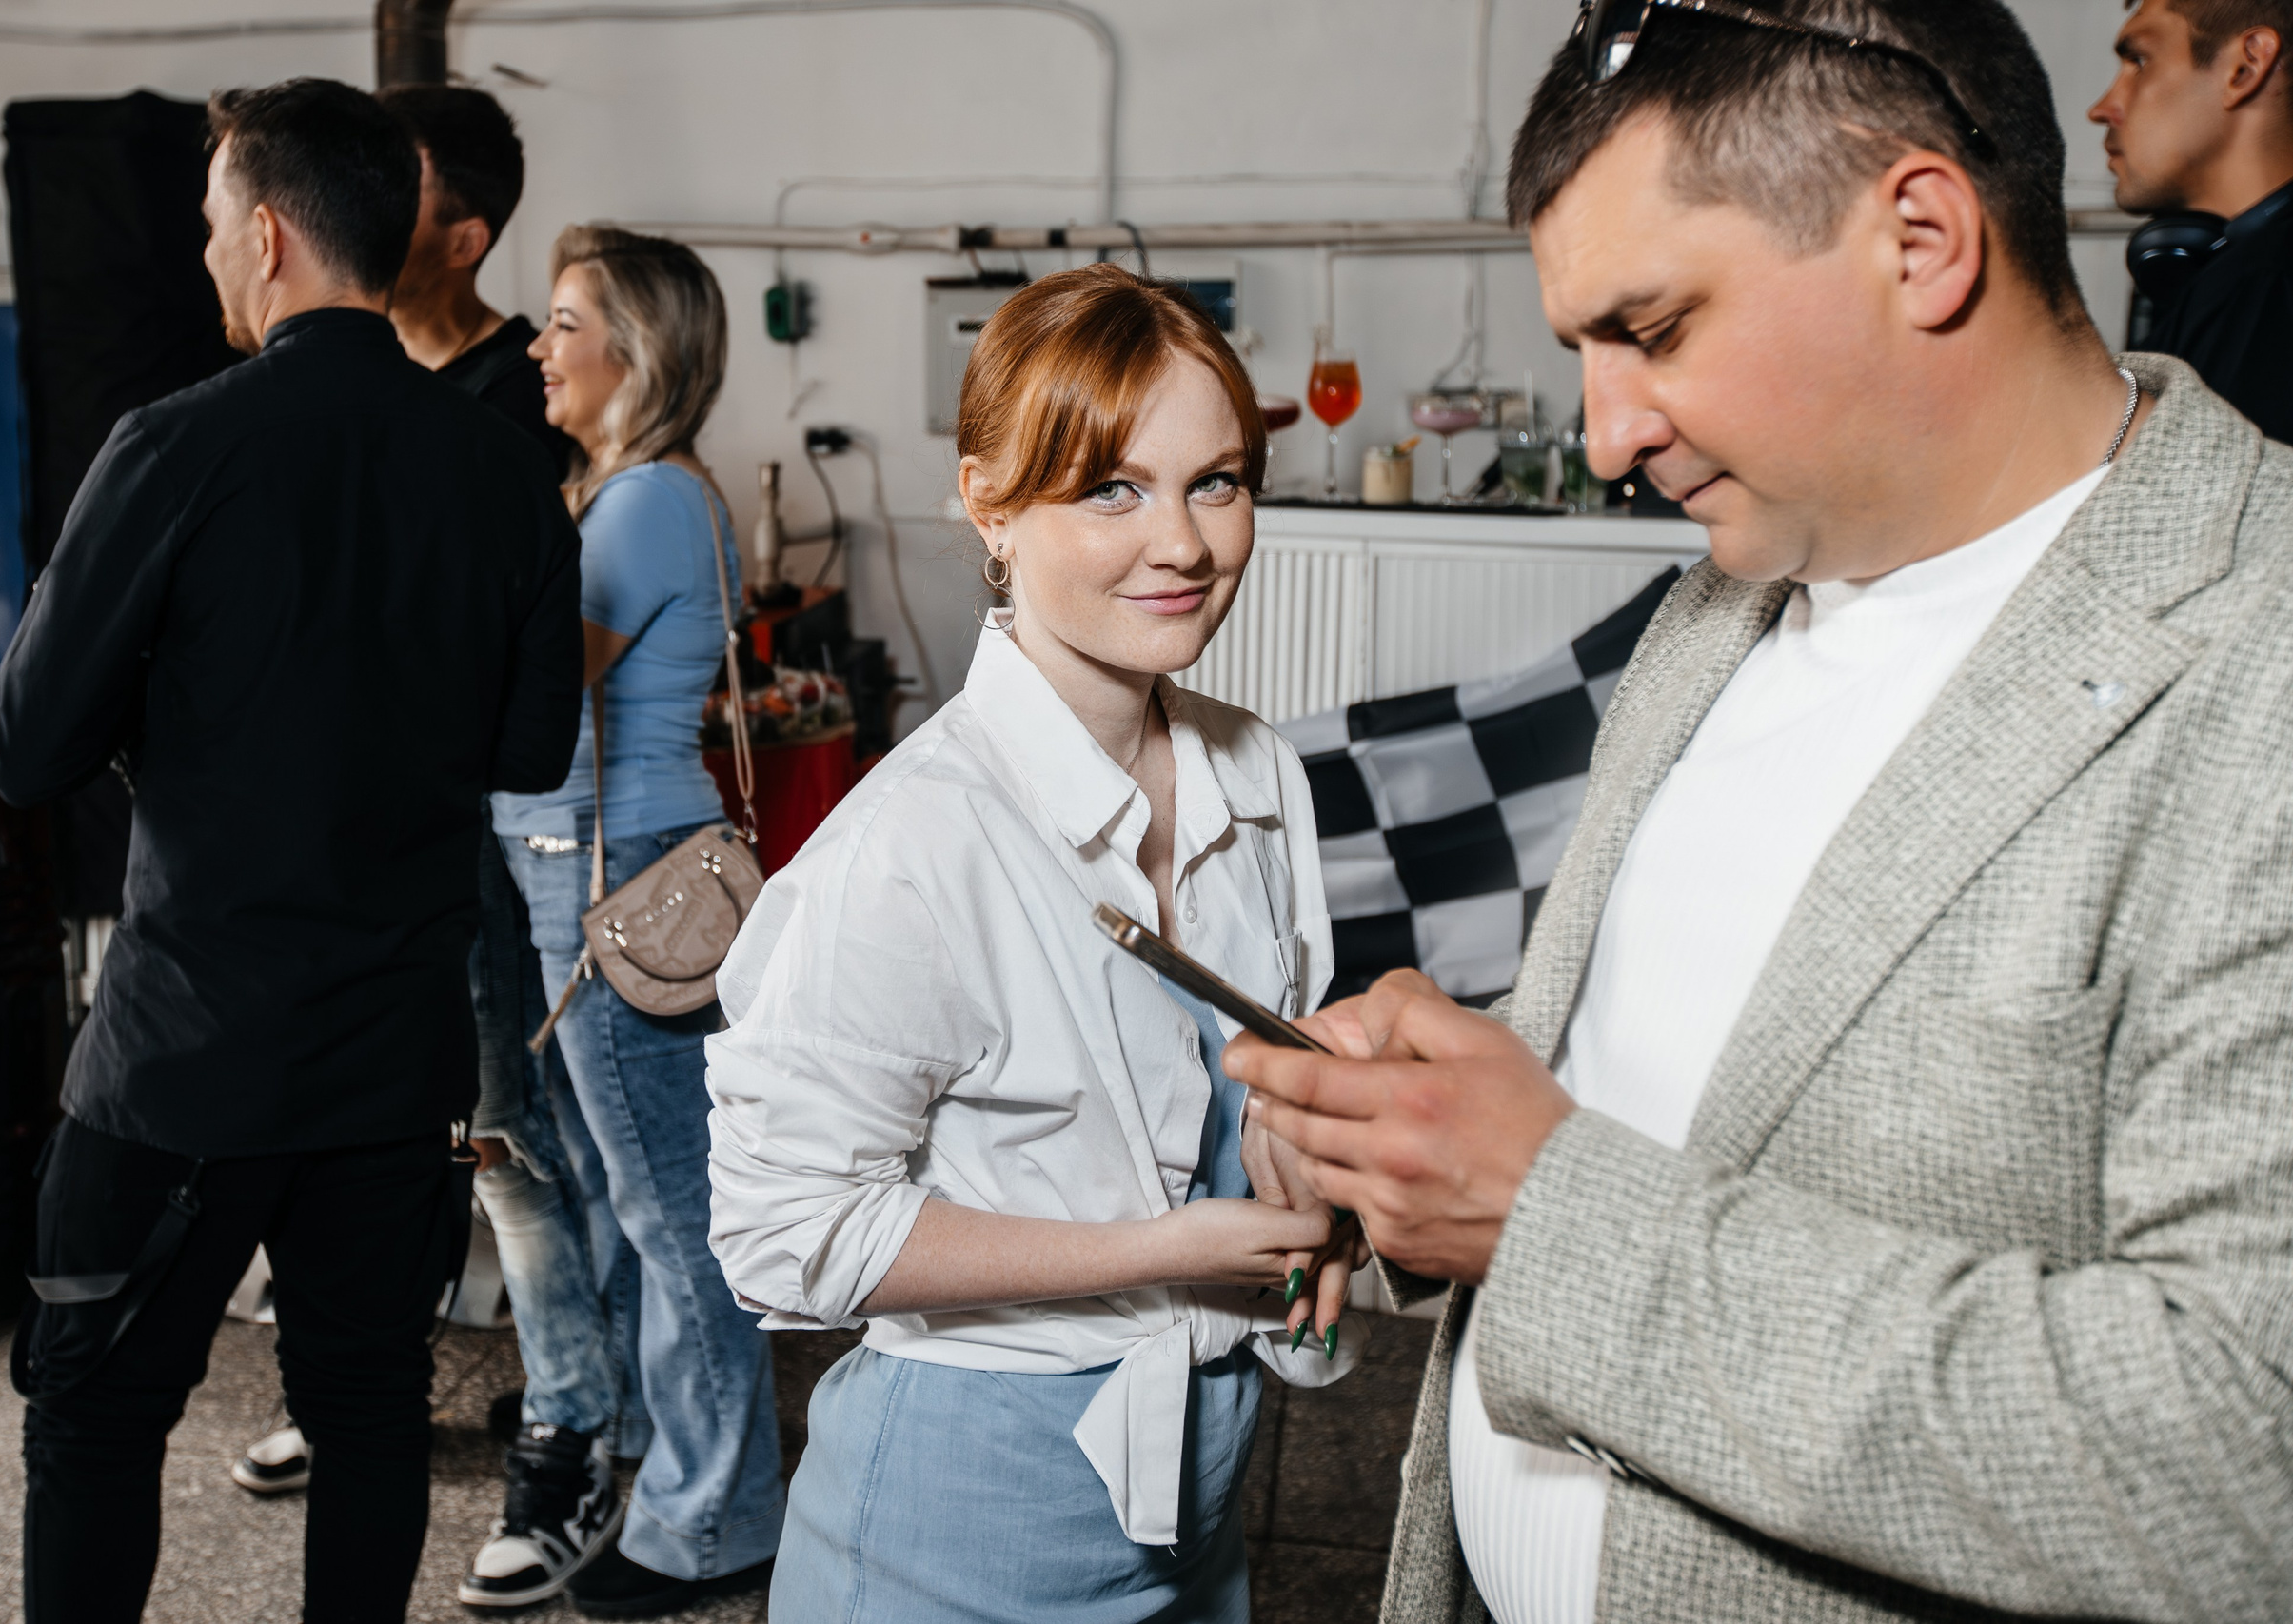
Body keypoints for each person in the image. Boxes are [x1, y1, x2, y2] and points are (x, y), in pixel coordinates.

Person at [1229, 3, 2293, 1621]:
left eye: (1650, 330)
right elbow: (1683, 1070)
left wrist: (1545, 1207)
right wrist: (1417, 1127)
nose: (1607, 433)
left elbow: (2237, 1459)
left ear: (1920, 237)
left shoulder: (2254, 655)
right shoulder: (1725, 605)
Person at [0, 76, 582, 1624]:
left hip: (188, 1051)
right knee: (371, 1411)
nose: (201, 260)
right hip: (393, 1052)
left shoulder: (175, 446)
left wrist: (172, 723)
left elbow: (22, 747)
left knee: (95, 1415)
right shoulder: (507, 468)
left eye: (205, 229)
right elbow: (528, 752)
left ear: (263, 234)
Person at [704, 263, 1366, 1624]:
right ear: (988, 502)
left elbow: (1251, 1089)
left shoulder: (1262, 773)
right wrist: (1163, 1245)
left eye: (1219, 480)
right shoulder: (911, 848)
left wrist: (1320, 1179)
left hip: (1202, 1497)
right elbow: (782, 1235)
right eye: (1112, 488)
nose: (1182, 542)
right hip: (958, 1511)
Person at [221, 83, 651, 1614]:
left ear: (456, 234)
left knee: (513, 1153)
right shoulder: (318, 389)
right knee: (363, 1138)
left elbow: (493, 672)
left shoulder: (505, 411)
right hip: (329, 846)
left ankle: (575, 1434)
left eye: (385, 188)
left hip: (474, 852)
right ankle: (362, 1390)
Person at [489, 224, 784, 1620]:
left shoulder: (648, 502)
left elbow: (531, 687)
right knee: (621, 1196)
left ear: (637, 352)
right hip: (593, 866)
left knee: (677, 1216)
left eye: (562, 324)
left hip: (620, 881)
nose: (539, 349)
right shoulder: (619, 495)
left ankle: (714, 1519)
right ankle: (646, 1455)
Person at [2090, 0, 2293, 439]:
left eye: (2139, 60)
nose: (2102, 107)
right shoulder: (2231, 282)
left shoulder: (2263, 293)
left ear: (2245, 67)